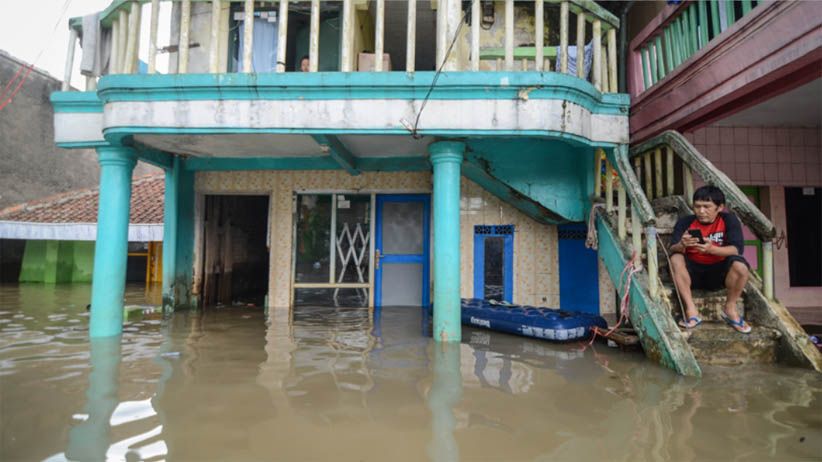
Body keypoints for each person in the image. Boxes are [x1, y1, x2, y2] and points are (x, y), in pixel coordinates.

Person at [669, 185, 752, 333]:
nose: (701, 211)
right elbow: (672, 248)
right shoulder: (685, 222)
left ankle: (730, 309)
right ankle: (691, 311)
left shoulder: (729, 220)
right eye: (697, 207)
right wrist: (682, 244)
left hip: (720, 274)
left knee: (740, 266)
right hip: (692, 274)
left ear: (720, 207)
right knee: (675, 258)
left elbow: (737, 249)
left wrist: (712, 249)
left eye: (707, 207)